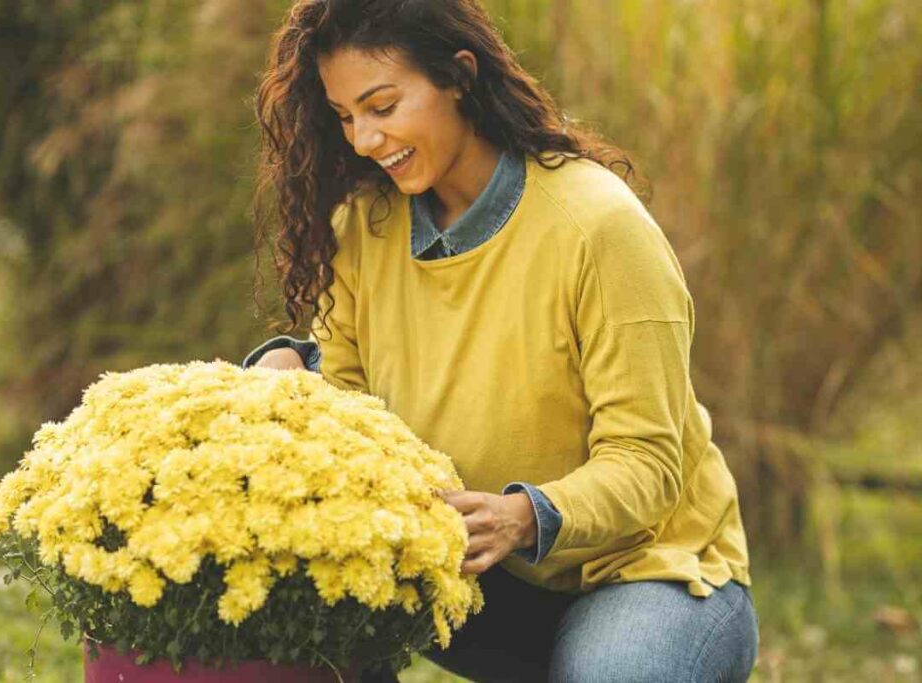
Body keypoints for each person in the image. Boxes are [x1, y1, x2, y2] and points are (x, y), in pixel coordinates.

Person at [245, 0, 759, 680]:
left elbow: (648, 463)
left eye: (383, 105)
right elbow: (351, 409)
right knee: (283, 609)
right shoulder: (363, 228)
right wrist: (294, 369)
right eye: (345, 117)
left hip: (646, 574)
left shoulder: (597, 227)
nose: (365, 139)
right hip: (476, 580)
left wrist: (525, 514)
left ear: (459, 76)